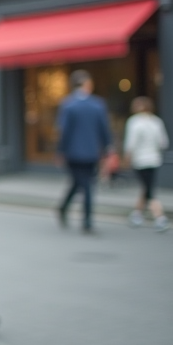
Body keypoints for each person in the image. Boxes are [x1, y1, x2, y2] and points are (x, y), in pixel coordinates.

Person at [56, 70, 114, 234]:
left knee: (80, 183)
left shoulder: (68, 104)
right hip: (90, 152)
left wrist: (60, 151)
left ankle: (64, 208)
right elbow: (105, 130)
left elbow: (63, 131)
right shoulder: (97, 104)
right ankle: (86, 221)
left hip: (73, 153)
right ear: (87, 84)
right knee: (85, 185)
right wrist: (108, 147)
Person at [123, 96, 170, 232]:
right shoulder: (157, 122)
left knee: (149, 190)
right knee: (146, 186)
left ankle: (160, 217)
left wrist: (127, 158)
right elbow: (163, 143)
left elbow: (130, 144)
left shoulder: (134, 122)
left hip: (140, 160)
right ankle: (136, 214)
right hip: (154, 160)